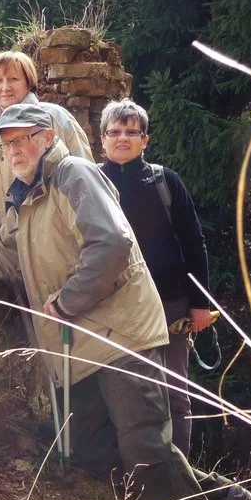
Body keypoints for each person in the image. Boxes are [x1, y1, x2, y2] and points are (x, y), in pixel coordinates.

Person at [0, 104, 250, 500]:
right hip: (79, 349)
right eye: (7, 143)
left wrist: (68, 301)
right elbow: (7, 258)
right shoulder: (24, 197)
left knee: (143, 440)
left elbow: (112, 243)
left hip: (119, 333)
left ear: (48, 136)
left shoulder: (74, 174)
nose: (13, 151)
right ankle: (216, 493)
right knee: (91, 448)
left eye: (22, 140)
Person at [98, 99, 213, 458]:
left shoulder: (166, 182)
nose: (122, 138)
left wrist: (200, 304)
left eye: (131, 132)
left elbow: (194, 242)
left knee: (174, 394)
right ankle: (129, 474)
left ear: (144, 140)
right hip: (111, 307)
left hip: (170, 303)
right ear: (102, 139)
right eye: (115, 131)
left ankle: (182, 479)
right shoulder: (90, 183)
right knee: (120, 391)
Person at [0, 50, 93, 219]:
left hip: (59, 235)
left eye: (13, 79)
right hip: (12, 238)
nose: (5, 87)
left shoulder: (56, 118)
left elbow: (86, 176)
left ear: (28, 82)